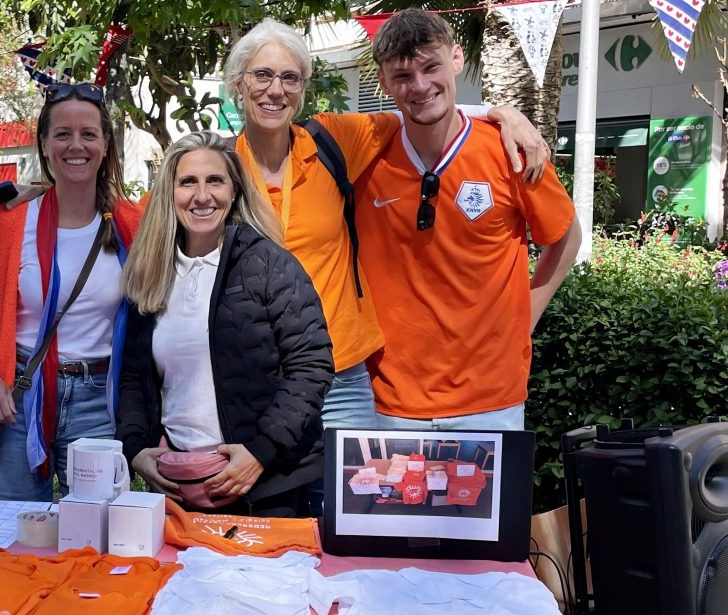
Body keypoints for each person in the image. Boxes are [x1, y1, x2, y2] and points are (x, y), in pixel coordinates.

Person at [223, 18, 549, 431]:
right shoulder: (217, 172)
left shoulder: (334, 140)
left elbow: (424, 109)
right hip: (259, 377)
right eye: (262, 75)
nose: (276, 89)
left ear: (302, 90)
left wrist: (499, 113)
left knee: (351, 497)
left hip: (340, 378)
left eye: (290, 77)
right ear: (237, 83)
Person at [355, 9, 581, 430]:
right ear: (383, 82)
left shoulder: (511, 149)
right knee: (399, 500)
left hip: (492, 397)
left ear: (456, 59)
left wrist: (525, 316)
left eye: (431, 66)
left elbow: (566, 238)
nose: (420, 86)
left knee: (488, 499)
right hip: (391, 399)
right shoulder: (364, 154)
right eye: (402, 76)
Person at [117, 131, 333, 517]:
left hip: (266, 488)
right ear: (169, 192)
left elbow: (311, 366)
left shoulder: (268, 264)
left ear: (234, 190)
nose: (202, 196)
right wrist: (136, 450)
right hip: (182, 487)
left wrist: (260, 453)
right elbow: (135, 377)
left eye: (215, 180)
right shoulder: (151, 273)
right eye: (188, 182)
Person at [0, 83, 142, 501]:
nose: (77, 145)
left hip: (99, 399)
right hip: (19, 393)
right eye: (63, 134)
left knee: (97, 535)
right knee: (15, 533)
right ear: (44, 143)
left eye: (88, 134)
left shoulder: (133, 223)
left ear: (106, 143)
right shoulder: (10, 222)